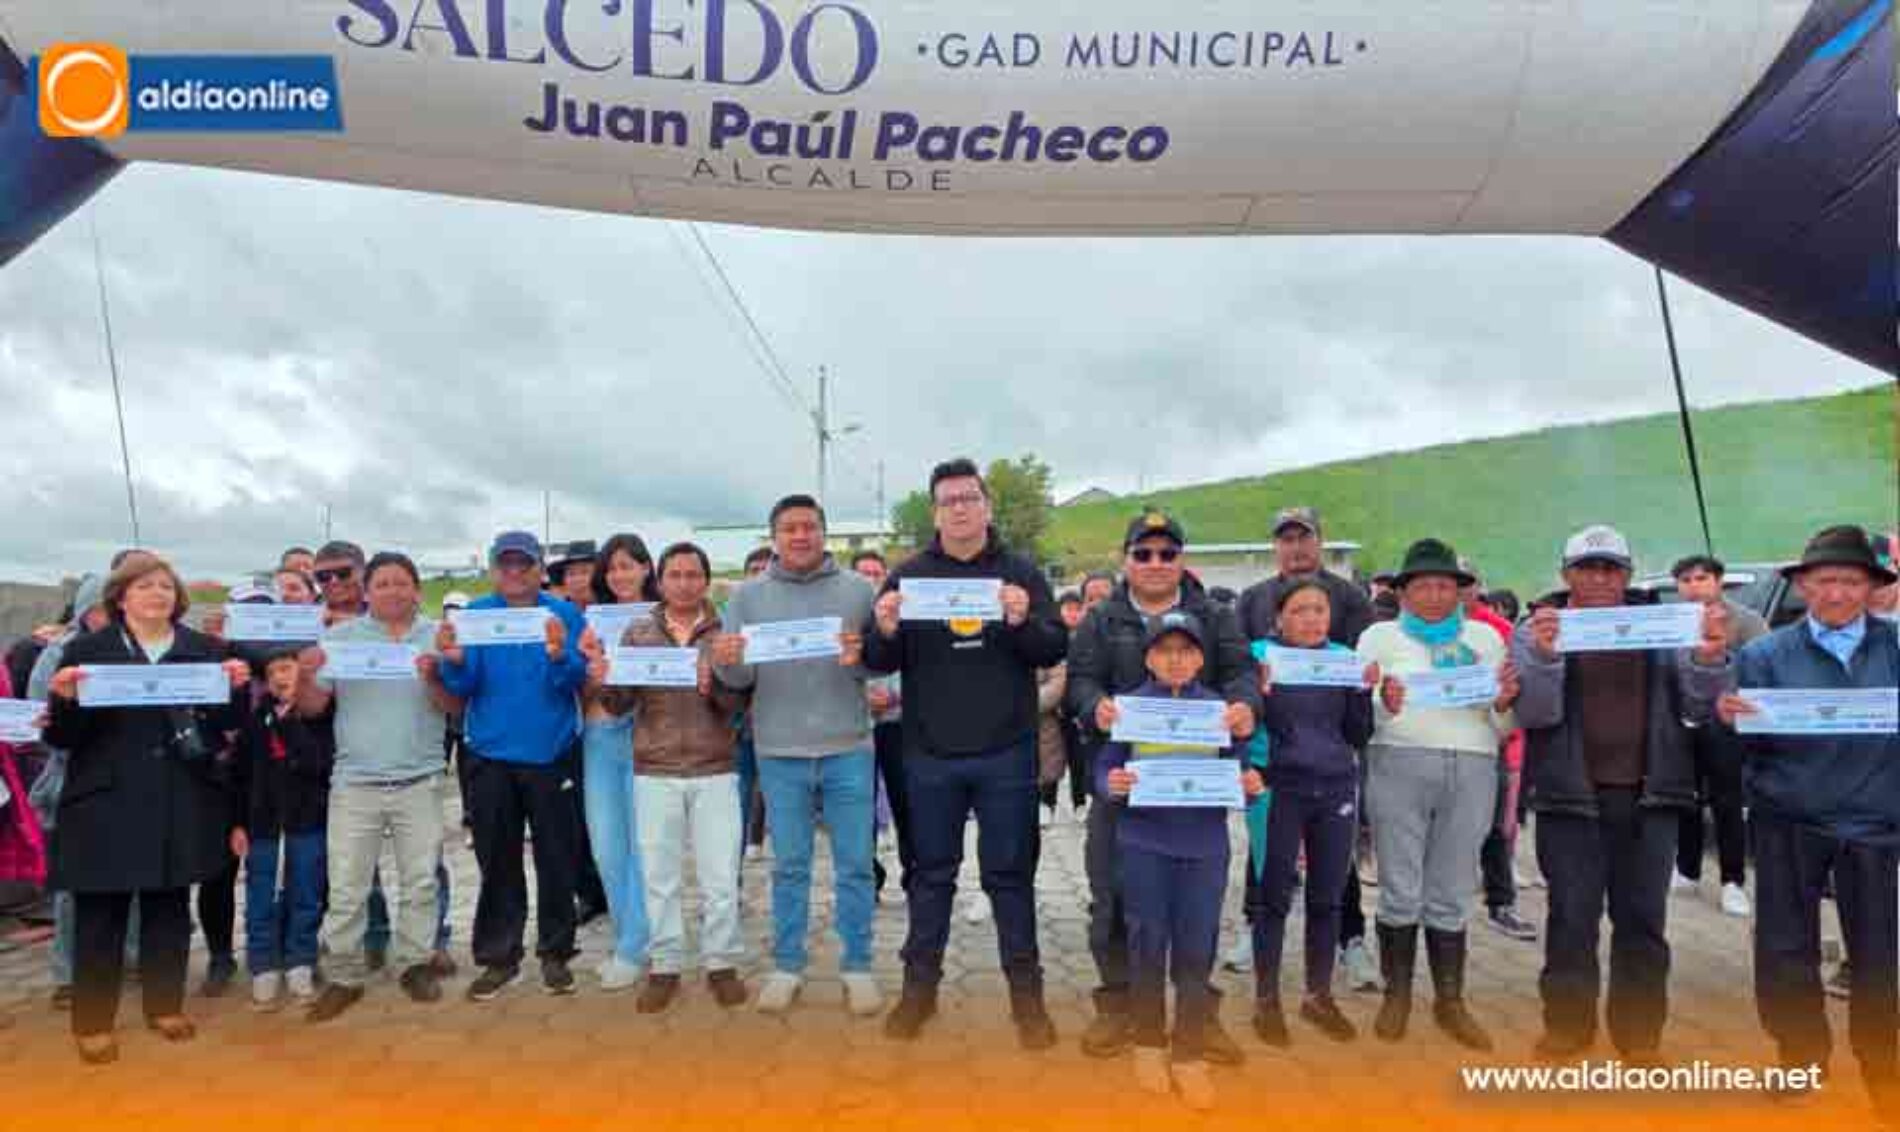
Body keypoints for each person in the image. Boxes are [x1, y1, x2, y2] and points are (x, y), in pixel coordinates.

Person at [864, 457, 1068, 1047]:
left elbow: (1051, 646)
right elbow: (879, 662)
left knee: (1010, 877)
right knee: (930, 877)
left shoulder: (1020, 573)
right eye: (948, 499)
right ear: (935, 511)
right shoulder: (908, 577)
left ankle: (1028, 1002)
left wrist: (1024, 620)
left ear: (986, 506)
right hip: (930, 754)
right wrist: (884, 628)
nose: (959, 507)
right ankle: (917, 994)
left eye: (968, 498)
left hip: (1007, 751)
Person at [1513, 525, 1731, 1064]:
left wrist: (1706, 658)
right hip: (1570, 799)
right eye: (1587, 569)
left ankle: (1640, 1039)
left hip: (1651, 796)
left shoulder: (1665, 624)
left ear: (1628, 576)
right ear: (1566, 576)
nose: (1599, 579)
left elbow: (1700, 708)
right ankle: (1567, 1028)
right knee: (1570, 918)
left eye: (1611, 568)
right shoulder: (1536, 628)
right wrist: (1543, 656)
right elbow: (1535, 713)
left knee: (1642, 923)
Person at [1717, 525, 1898, 1122]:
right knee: (1783, 948)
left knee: (1879, 955)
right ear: (1804, 586)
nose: (1839, 593)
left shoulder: (1896, 648)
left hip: (1875, 823)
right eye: (1826, 581)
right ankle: (1800, 1056)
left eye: (1852, 581)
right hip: (1788, 821)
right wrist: (1727, 715)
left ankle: (1884, 1067)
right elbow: (1743, 745)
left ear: (1873, 588)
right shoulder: (1764, 655)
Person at [42, 554, 251, 1063]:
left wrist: (238, 686)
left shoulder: (202, 650)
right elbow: (65, 738)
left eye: (165, 586)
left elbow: (225, 722)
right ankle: (92, 1022)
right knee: (101, 916)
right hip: (105, 802)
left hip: (179, 797)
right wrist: (65, 699)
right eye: (144, 587)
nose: (157, 594)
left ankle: (164, 1006)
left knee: (168, 910)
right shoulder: (88, 650)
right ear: (120, 598)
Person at [1066, 511, 1257, 1063]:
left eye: (1166, 553)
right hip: (1124, 779)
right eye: (1143, 553)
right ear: (1126, 559)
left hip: (1192, 787)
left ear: (1182, 560)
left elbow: (1241, 674)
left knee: (1196, 911)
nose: (1155, 563)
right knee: (1112, 900)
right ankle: (1119, 1008)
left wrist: (1247, 706)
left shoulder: (1215, 614)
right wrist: (1092, 707)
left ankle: (1201, 1016)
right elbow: (1081, 679)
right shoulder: (1101, 618)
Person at [712, 496, 880, 1016]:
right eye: (789, 529)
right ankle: (788, 965)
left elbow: (878, 665)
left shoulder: (859, 590)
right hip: (780, 750)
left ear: (824, 533)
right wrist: (728, 664)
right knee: (790, 867)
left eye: (810, 527)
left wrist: (863, 658)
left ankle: (857, 965)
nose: (800, 536)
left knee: (854, 865)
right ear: (774, 537)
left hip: (848, 745)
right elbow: (739, 680)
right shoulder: (747, 597)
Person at [1356, 538, 1521, 1051]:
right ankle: (1397, 995)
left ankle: (1451, 1000)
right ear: (1403, 592)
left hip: (1472, 764)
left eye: (1444, 584)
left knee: (1452, 886)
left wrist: (1502, 702)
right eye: (1422, 585)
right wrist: (1385, 704)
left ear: (1461, 591)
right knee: (1400, 883)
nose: (1433, 594)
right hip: (1399, 761)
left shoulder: (1487, 640)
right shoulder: (1378, 638)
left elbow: (1502, 720)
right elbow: (1358, 713)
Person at [1097, 611, 1265, 1111]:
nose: (1176, 659)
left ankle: (1189, 1053)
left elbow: (1239, 768)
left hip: (1205, 849)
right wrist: (1111, 784)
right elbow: (1106, 766)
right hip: (1145, 844)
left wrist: (1250, 787)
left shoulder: (1218, 709)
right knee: (1147, 944)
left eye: (1186, 650)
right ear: (1148, 658)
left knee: (1197, 950)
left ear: (1200, 658)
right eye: (1165, 650)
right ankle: (1148, 1043)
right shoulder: (1130, 709)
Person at [298, 552, 462, 1020]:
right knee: (347, 886)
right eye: (382, 583)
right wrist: (306, 674)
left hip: (421, 779)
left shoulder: (438, 636)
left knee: (421, 882)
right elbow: (312, 707)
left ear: (416, 588)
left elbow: (454, 707)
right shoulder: (340, 639)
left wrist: (434, 676)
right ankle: (344, 975)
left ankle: (415, 963)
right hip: (356, 783)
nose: (392, 590)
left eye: (401, 582)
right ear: (367, 591)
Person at [596, 542, 748, 1013]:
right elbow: (619, 704)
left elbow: (740, 705)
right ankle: (665, 965)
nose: (684, 583)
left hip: (715, 767)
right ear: (660, 581)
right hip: (655, 769)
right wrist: (603, 675)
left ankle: (721, 962)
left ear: (706, 580)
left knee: (720, 876)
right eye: (675, 575)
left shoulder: (725, 633)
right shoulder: (638, 633)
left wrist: (718, 683)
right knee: (659, 876)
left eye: (693, 574)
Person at [1235, 506, 1380, 994]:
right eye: (1286, 539)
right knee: (1268, 874)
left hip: (1334, 765)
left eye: (1305, 537)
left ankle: (1349, 943)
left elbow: (1360, 708)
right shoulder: (1252, 601)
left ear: (1320, 541)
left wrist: (1364, 689)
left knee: (1333, 880)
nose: (1296, 547)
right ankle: (1261, 967)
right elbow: (1239, 679)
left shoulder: (1352, 600)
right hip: (1275, 768)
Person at [438, 532, 589, 1000]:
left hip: (551, 753)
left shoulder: (563, 613)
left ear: (540, 568)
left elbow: (576, 679)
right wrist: (455, 661)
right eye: (506, 564)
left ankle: (556, 953)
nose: (515, 572)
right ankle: (499, 956)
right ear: (492, 569)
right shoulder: (476, 616)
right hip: (490, 756)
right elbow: (463, 685)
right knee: (496, 859)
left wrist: (560, 655)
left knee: (556, 857)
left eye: (524, 564)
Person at [1248, 579, 1376, 1046]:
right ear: (1279, 617)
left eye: (1319, 610)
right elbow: (1249, 724)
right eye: (1300, 610)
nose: (1311, 619)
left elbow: (1359, 734)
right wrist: (1258, 692)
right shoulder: (1262, 659)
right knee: (1274, 895)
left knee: (1328, 896)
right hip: (1282, 787)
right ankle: (1266, 1000)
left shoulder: (1342, 660)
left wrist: (1362, 692)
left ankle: (1317, 996)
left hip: (1337, 785)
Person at [26, 572, 115, 1012]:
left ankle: (127, 960)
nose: (109, 615)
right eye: (102, 607)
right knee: (73, 887)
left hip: (125, 783)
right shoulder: (59, 654)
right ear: (85, 611)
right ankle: (68, 973)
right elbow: (39, 718)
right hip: (72, 782)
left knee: (130, 877)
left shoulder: (136, 652)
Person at [232, 650, 333, 1012]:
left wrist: (290, 724)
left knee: (305, 895)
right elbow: (240, 776)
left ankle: (300, 961)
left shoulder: (320, 717)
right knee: (262, 896)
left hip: (307, 822)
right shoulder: (255, 720)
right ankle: (263, 965)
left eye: (287, 668)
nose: (280, 677)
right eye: (273, 671)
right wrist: (238, 823)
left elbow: (317, 765)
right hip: (264, 827)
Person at [1668, 554, 1769, 917]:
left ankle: (1732, 881)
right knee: (1685, 799)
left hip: (1728, 725)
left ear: (1719, 581)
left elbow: (1761, 668)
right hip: (1682, 722)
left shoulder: (1746, 620)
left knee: (1727, 802)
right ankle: (1687, 869)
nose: (1694, 586)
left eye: (1701, 578)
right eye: (1686, 580)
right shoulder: (1670, 623)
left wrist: (1723, 649)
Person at [579, 534, 658, 992]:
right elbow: (582, 690)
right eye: (612, 569)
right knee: (607, 846)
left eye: (629, 565)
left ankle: (632, 947)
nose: (621, 575)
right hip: (599, 736)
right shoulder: (592, 621)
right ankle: (631, 937)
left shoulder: (666, 617)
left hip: (647, 737)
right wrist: (590, 665)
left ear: (647, 569)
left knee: (643, 846)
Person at [1462, 568, 1538, 944]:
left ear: (1478, 588)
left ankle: (1500, 904)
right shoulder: (1409, 630)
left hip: (1492, 742)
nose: (1458, 591)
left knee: (1497, 829)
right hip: (1434, 746)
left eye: (1465, 583)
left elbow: (1516, 682)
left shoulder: (1497, 630)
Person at [852, 551, 911, 901]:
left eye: (877, 573)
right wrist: (864, 698)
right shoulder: (847, 616)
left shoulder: (903, 613)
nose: (871, 579)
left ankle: (914, 878)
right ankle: (867, 880)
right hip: (857, 728)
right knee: (860, 810)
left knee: (908, 806)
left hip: (899, 726)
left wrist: (897, 698)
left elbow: (917, 663)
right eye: (863, 573)